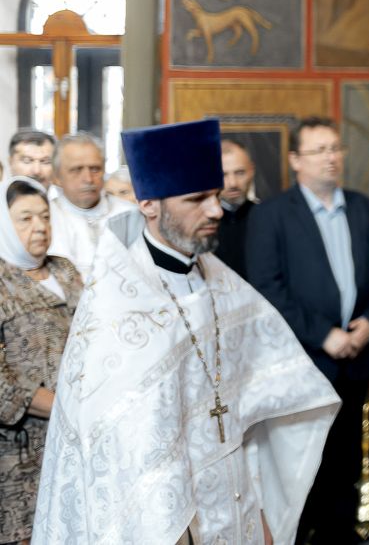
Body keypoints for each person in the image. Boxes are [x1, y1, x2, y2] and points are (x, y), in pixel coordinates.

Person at [34, 120, 339, 545]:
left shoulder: (225, 285)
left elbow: (256, 411)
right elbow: (120, 453)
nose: (216, 210)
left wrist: (261, 514)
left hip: (236, 501)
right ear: (149, 205)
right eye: (196, 199)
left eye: (215, 194)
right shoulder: (117, 310)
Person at [246, 117, 369, 544]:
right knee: (303, 462)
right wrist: (324, 335)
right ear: (296, 160)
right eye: (319, 150)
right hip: (303, 360)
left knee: (347, 460)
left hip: (356, 358)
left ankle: (338, 536)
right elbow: (267, 288)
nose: (331, 158)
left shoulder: (364, 208)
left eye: (335, 148)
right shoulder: (272, 215)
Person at [0, 177, 82, 545]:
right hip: (22, 450)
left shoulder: (65, 270)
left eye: (45, 216)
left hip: (79, 435)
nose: (39, 226)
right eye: (25, 218)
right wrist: (66, 406)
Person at [48, 132, 133, 275]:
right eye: (76, 170)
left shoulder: (129, 214)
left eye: (95, 169)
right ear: (56, 177)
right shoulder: (46, 219)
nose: (88, 179)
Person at [217, 139, 257, 277]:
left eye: (240, 173)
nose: (232, 183)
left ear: (252, 171)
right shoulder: (200, 223)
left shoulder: (268, 218)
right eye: (224, 175)